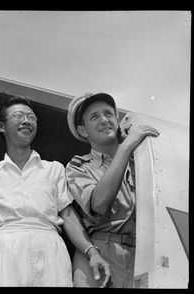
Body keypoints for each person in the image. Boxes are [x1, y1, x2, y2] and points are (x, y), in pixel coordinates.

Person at [0, 96, 111, 287]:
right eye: (18, 116)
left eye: (31, 117)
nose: (26, 121)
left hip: (49, 245)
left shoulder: (54, 169)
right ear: (1, 126)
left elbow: (67, 214)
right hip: (5, 248)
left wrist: (91, 252)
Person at [66, 92, 160, 287]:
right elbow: (99, 204)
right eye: (94, 117)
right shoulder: (78, 167)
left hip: (142, 255)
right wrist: (126, 147)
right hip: (101, 255)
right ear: (83, 131)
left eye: (109, 114)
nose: (104, 120)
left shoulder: (142, 159)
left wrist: (133, 148)